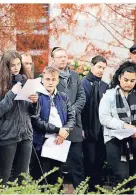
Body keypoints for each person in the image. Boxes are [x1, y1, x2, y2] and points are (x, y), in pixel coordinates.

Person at [99, 61, 136, 189]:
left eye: (132, 81)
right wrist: (124, 126)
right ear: (119, 78)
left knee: (133, 177)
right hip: (114, 139)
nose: (128, 83)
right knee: (122, 175)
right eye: (126, 80)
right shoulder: (109, 95)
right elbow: (104, 118)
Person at [0, 50, 39, 185]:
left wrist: (35, 102)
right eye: (12, 65)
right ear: (6, 67)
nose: (16, 68)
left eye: (18, 64)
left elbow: (33, 113)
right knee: (3, 176)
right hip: (6, 135)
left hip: (25, 134)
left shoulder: (26, 81)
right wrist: (12, 93)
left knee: (22, 176)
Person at [30, 66, 75, 185]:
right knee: (42, 177)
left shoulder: (63, 96)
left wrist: (64, 131)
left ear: (58, 80)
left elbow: (71, 117)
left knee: (57, 177)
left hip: (60, 141)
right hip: (42, 141)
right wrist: (57, 130)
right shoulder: (37, 96)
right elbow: (35, 120)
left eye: (53, 79)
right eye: (47, 79)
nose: (50, 82)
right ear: (42, 79)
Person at [51, 47, 86, 188]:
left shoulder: (74, 75)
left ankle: (81, 191)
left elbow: (81, 97)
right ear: (53, 59)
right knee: (56, 166)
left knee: (77, 164)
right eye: (59, 57)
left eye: (65, 56)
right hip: (57, 128)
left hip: (75, 127)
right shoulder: (49, 76)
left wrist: (71, 111)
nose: (63, 59)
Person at [81, 55, 108, 191]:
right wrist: (82, 128)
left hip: (102, 131)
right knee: (89, 162)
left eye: (103, 68)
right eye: (99, 67)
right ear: (92, 66)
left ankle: (97, 189)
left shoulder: (105, 86)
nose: (101, 70)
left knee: (99, 161)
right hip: (88, 129)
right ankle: (89, 190)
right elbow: (81, 108)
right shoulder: (83, 84)